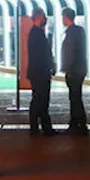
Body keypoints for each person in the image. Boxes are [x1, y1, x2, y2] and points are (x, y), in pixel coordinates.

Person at [25, 8, 56, 137]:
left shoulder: (36, 33)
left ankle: (42, 127)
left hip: (38, 72)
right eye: (43, 16)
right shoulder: (37, 34)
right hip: (40, 72)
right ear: (38, 17)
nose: (45, 19)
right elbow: (41, 54)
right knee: (40, 99)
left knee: (40, 99)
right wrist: (50, 64)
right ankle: (39, 127)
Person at [60, 8, 89, 135]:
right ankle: (76, 122)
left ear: (66, 17)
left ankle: (79, 124)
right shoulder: (79, 31)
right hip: (80, 68)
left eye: (62, 17)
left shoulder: (71, 33)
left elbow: (70, 52)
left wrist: (68, 68)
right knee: (75, 96)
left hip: (74, 70)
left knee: (75, 97)